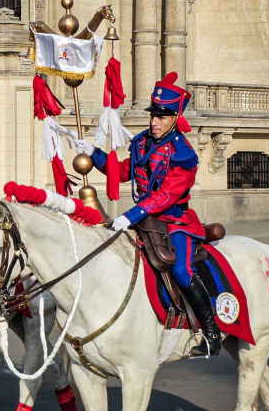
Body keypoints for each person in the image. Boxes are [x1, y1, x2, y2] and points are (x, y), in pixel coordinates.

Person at [75, 71, 220, 357]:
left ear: (175, 118)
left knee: (181, 269)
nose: (154, 121)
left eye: (161, 116)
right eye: (153, 115)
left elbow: (167, 195)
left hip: (175, 221)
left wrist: (131, 214)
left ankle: (211, 332)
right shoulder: (144, 142)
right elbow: (125, 171)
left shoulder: (183, 154)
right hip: (146, 219)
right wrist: (94, 154)